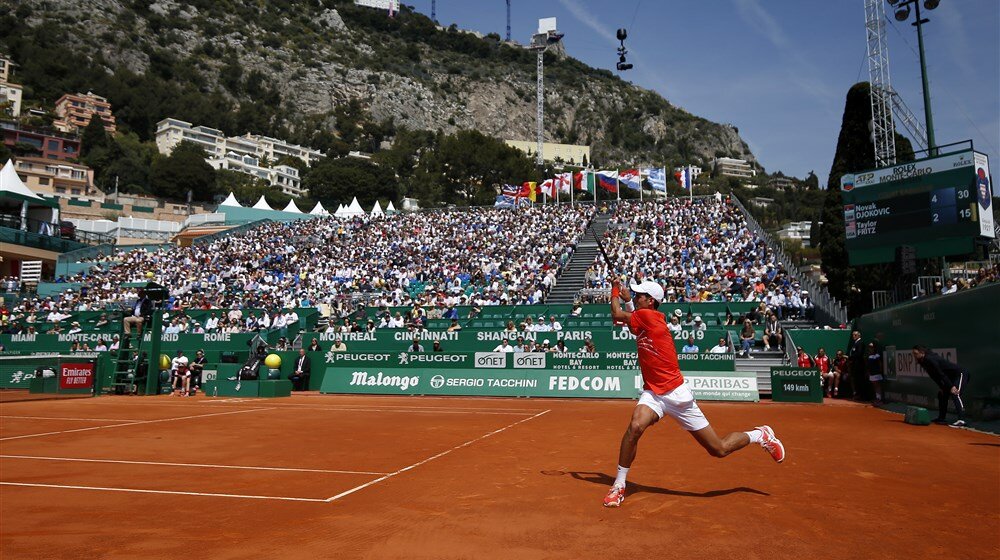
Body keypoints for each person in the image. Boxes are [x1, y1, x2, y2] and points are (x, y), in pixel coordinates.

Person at [603, 278, 784, 508]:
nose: (635, 296)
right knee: (636, 426)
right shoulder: (645, 317)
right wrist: (630, 302)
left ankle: (760, 435)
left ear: (651, 301)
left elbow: (616, 316)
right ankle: (619, 485)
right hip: (653, 394)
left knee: (718, 449)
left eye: (639, 295)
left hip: (677, 395)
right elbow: (632, 326)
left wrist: (615, 289)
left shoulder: (648, 316)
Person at [913, 345, 969, 427]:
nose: (914, 355)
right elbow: (934, 376)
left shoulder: (930, 359)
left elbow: (940, 373)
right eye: (913, 353)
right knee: (942, 395)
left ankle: (961, 420)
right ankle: (941, 418)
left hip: (960, 374)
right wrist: (941, 386)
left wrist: (951, 387)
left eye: (915, 353)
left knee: (955, 393)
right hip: (950, 377)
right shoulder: (923, 361)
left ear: (922, 353)